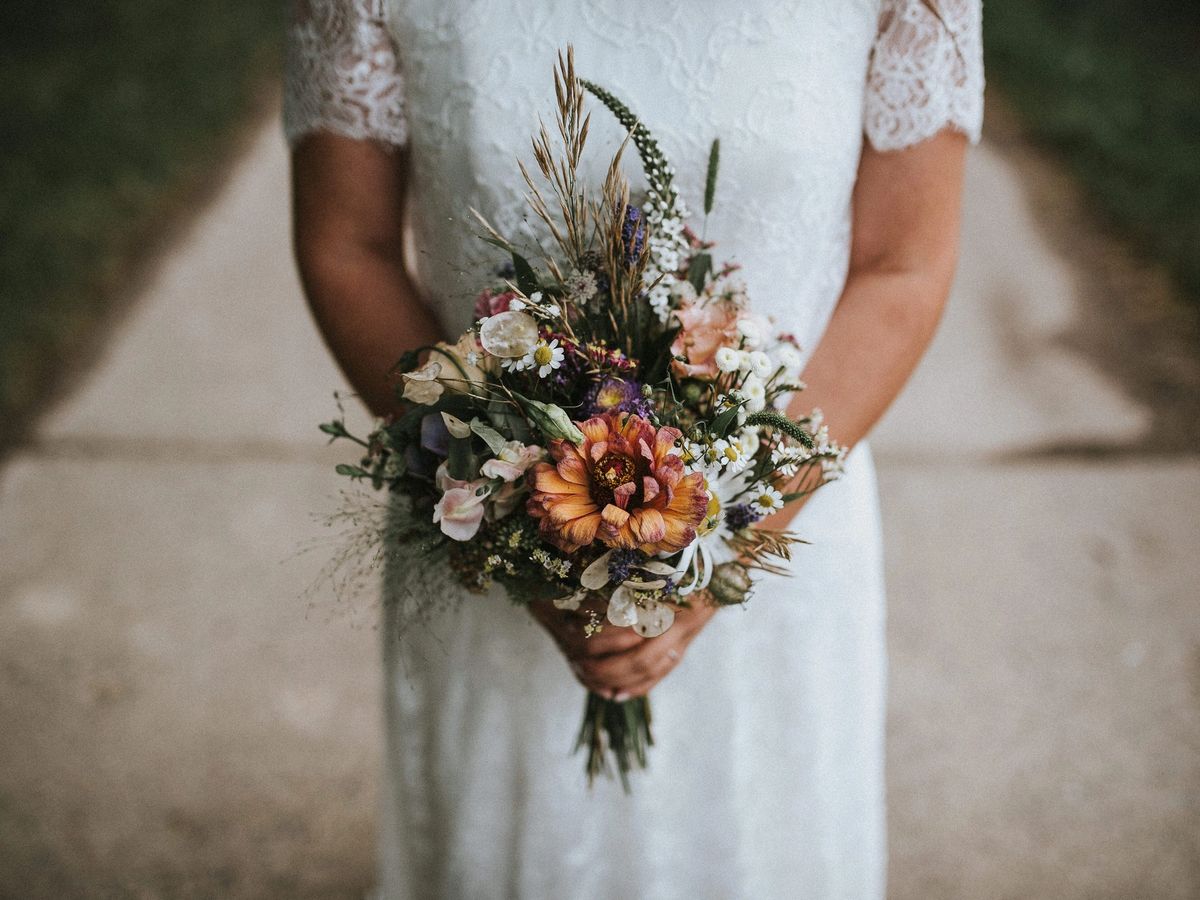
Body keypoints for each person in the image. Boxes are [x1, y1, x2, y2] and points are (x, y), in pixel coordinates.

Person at [285, 1, 983, 896]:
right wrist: (513, 522)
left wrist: (718, 544)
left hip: (782, 521)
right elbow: (351, 242)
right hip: (486, 524)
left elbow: (904, 264)